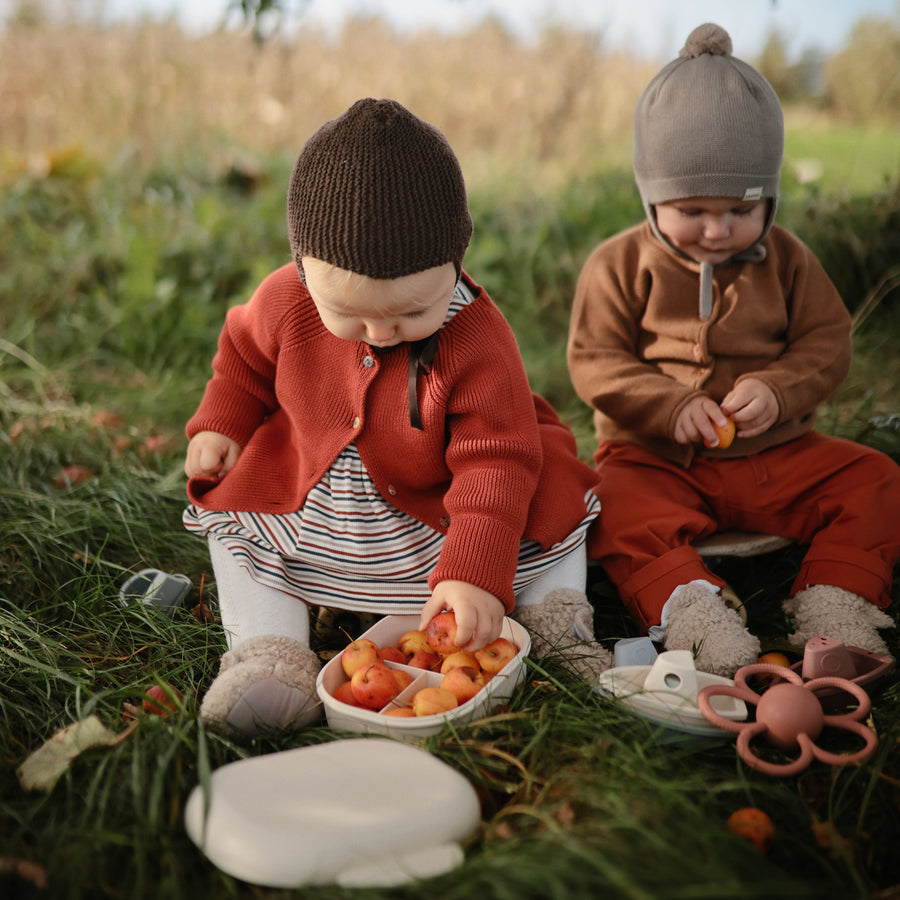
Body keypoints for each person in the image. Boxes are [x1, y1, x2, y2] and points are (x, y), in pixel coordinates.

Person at [184, 98, 610, 737]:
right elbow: (243, 355)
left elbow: (496, 460)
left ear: (454, 265)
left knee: (549, 510)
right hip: (324, 491)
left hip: (444, 503)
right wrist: (222, 421)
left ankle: (556, 624)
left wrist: (472, 571)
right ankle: (271, 656)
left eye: (412, 313)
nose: (381, 333)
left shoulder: (477, 338)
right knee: (237, 529)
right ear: (304, 269)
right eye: (350, 316)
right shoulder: (285, 298)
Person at [567, 23, 900, 677]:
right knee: (608, 501)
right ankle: (695, 614)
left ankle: (834, 602)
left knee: (875, 478)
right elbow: (594, 359)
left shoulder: (789, 261)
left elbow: (826, 342)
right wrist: (666, 404)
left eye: (742, 208)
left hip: (776, 453)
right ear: (651, 194)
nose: (717, 229)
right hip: (655, 457)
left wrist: (779, 389)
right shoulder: (617, 264)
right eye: (691, 209)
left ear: (768, 199)